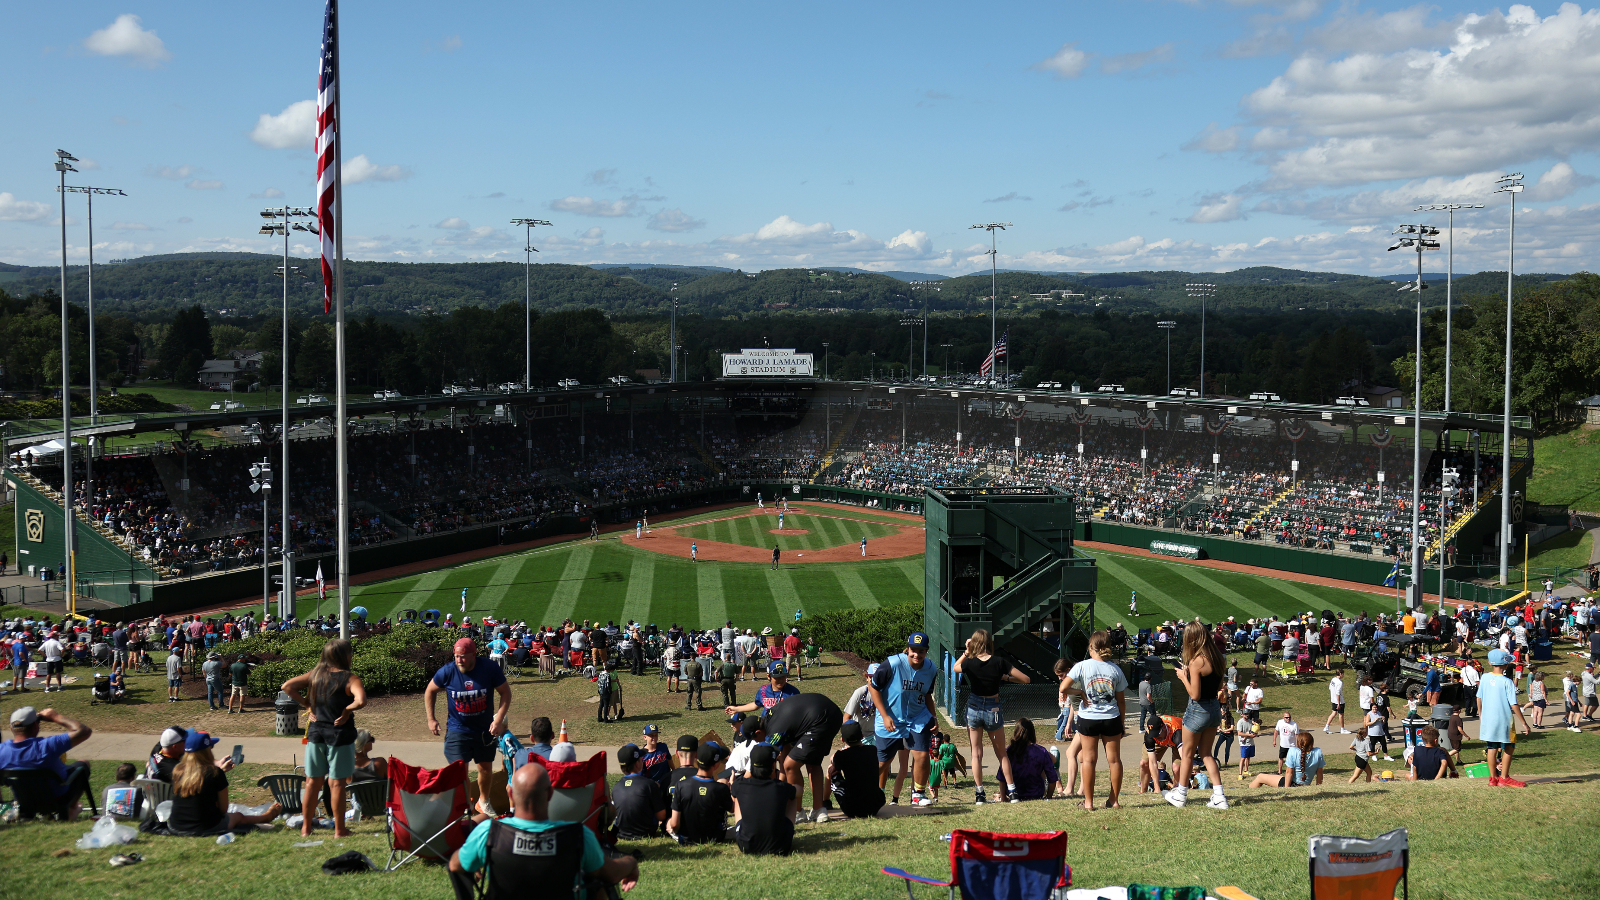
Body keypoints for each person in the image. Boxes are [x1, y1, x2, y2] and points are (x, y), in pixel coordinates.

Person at [449, 760, 640, 897]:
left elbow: (455, 866)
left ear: (511, 794)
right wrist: (630, 863)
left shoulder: (489, 833)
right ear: (550, 793)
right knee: (599, 884)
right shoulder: (577, 836)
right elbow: (610, 873)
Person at [281, 638, 366, 837]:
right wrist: (346, 710)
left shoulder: (315, 675)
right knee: (337, 783)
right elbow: (360, 700)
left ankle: (305, 828)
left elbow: (287, 686)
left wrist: (306, 704)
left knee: (312, 782)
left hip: (315, 735)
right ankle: (340, 830)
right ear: (344, 656)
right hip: (340, 737)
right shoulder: (350, 678)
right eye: (350, 653)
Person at [425, 638, 512, 810]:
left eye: (463, 656)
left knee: (485, 768)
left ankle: (484, 802)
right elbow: (430, 690)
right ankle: (465, 804)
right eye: (456, 656)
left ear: (474, 655)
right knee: (459, 772)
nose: (459, 660)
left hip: (484, 729)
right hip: (458, 730)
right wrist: (431, 719)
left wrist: (498, 719)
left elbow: (505, 693)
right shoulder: (448, 671)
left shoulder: (489, 668)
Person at [955, 628, 1030, 805]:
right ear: (989, 643)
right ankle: (1012, 792)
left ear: (974, 643)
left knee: (976, 753)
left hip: (973, 706)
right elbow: (1025, 679)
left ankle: (979, 794)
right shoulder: (999, 662)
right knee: (1001, 753)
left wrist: (966, 651)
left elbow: (955, 667)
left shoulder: (970, 662)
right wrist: (1006, 678)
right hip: (993, 707)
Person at [868, 632, 939, 807]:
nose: (917, 654)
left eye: (921, 651)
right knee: (883, 762)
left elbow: (928, 694)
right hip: (891, 718)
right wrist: (885, 716)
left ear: (926, 651)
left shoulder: (931, 669)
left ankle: (918, 794)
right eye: (913, 650)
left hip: (917, 717)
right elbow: (873, 687)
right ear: (907, 649)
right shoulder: (893, 664)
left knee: (922, 755)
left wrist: (934, 717)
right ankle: (862, 789)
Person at [167, 729, 281, 835]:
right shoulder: (215, 773)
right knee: (237, 817)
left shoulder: (177, 770)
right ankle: (266, 816)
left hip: (175, 826)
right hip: (204, 827)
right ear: (206, 751)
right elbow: (223, 809)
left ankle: (266, 816)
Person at [1062, 630, 1128, 811]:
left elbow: (1063, 687)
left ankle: (1089, 803)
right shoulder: (1116, 669)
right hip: (1111, 717)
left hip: (1088, 717)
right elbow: (1121, 701)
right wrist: (1121, 723)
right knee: (1114, 761)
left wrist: (1081, 693)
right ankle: (1113, 801)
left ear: (1091, 646)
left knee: (1089, 760)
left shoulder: (1081, 666)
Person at [1167, 618, 1228, 809]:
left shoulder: (1196, 662)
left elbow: (1195, 694)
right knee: (1207, 754)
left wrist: (1183, 677)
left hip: (1197, 710)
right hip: (1214, 710)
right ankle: (1219, 796)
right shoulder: (1218, 658)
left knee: (1186, 754)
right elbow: (1218, 686)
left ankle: (1181, 795)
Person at [761, 691, 843, 823]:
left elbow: (772, 765)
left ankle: (797, 811)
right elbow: (784, 754)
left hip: (819, 718)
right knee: (813, 763)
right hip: (833, 714)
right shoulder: (772, 717)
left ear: (758, 731)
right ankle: (819, 810)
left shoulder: (773, 730)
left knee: (790, 765)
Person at [0, 706, 94, 818]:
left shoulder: (2, 751)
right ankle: (70, 809)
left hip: (24, 802)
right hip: (58, 800)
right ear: (36, 725)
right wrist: (55, 717)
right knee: (83, 764)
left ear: (11, 728)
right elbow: (84, 731)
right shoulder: (47, 746)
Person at [1479, 648, 1532, 787]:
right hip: (1504, 720)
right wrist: (1524, 723)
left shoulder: (1484, 677)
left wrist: (1480, 715)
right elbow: (1513, 704)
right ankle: (1504, 777)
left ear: (1490, 663)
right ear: (1506, 664)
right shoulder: (1507, 681)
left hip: (1488, 719)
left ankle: (1493, 778)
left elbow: (1479, 697)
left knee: (1492, 747)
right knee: (1509, 746)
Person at [732, 744, 797, 855]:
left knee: (737, 796)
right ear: (773, 766)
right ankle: (785, 828)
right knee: (793, 796)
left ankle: (744, 828)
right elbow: (798, 791)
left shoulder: (739, 785)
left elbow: (734, 793)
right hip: (781, 846)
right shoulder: (782, 787)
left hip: (746, 846)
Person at [669, 742, 733, 844]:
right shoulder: (721, 788)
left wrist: (671, 825)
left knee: (670, 823)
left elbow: (675, 824)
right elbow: (733, 809)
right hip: (716, 838)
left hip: (687, 839)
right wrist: (733, 787)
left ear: (697, 758)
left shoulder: (681, 785)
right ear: (716, 765)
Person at [827, 720, 885, 819]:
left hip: (852, 808)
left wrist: (836, 756)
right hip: (875, 806)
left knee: (831, 770)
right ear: (862, 736)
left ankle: (825, 802)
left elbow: (833, 762)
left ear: (842, 740)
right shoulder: (872, 750)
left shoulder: (841, 755)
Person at [612, 744, 668, 840]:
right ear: (637, 764)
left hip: (621, 832)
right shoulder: (649, 785)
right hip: (646, 832)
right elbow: (661, 816)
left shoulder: (616, 787)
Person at [1003, 718, 1057, 800]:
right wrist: (1049, 796)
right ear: (1032, 733)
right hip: (1036, 793)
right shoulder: (1041, 751)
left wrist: (1003, 797)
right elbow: (1052, 778)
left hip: (1013, 793)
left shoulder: (1009, 750)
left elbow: (1001, 776)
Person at [1250, 732, 1323, 788]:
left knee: (1260, 777)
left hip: (1292, 784)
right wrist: (1318, 789)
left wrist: (1287, 789)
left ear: (1298, 744)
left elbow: (1289, 772)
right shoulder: (1318, 752)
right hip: (1306, 785)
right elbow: (1319, 773)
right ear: (1312, 743)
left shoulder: (1293, 751)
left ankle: (1249, 792)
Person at [1324, 668, 1350, 734]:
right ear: (1340, 674)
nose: (1343, 675)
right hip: (1339, 701)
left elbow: (1330, 688)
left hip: (1333, 699)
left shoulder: (1333, 679)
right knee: (1341, 714)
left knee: (1333, 713)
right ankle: (1342, 729)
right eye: (1343, 674)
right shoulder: (1340, 682)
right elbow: (1338, 693)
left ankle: (1326, 726)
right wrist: (1338, 703)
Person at [1274, 710, 1300, 776]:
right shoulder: (1280, 722)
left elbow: (1297, 735)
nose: (1288, 719)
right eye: (1286, 717)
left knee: (1292, 759)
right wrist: (1274, 740)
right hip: (1283, 744)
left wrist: (1298, 744)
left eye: (1289, 717)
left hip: (1292, 745)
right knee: (1281, 757)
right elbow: (1276, 731)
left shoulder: (1294, 724)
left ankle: (1293, 770)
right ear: (1283, 718)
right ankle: (1279, 771)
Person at [1236, 710, 1259, 779]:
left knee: (1248, 757)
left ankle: (1246, 770)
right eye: (1245, 714)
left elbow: (1253, 730)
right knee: (1243, 758)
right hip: (1243, 743)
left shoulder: (1250, 722)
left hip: (1250, 742)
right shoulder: (1240, 722)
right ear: (1242, 714)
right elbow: (1239, 733)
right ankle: (1240, 774)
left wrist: (1255, 734)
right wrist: (1249, 735)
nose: (1247, 715)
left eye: (1248, 714)